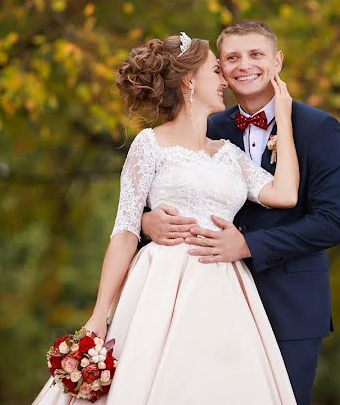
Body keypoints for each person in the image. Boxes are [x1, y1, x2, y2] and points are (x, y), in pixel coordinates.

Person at [31, 32, 300, 405]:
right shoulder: (149, 144)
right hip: (160, 284)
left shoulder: (228, 153)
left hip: (226, 288)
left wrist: (283, 118)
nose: (225, 80)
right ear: (190, 80)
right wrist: (98, 314)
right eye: (216, 71)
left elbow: (285, 194)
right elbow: (124, 230)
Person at [141, 21, 340, 405]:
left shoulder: (318, 128)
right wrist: (147, 220)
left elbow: (332, 222)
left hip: (290, 305)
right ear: (218, 68)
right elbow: (159, 189)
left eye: (256, 54)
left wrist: (248, 245)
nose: (244, 65)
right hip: (206, 301)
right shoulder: (209, 124)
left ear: (277, 60)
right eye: (231, 58)